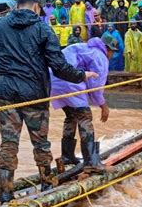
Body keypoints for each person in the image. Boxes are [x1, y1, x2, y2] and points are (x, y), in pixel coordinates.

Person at [0, 0, 98, 202]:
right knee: (40, 143)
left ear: (17, 5)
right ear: (36, 6)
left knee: (8, 142)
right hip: (33, 93)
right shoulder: (43, 28)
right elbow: (59, 66)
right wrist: (82, 75)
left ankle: (6, 194)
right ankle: (47, 186)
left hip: (5, 92)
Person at [50, 36, 117, 173]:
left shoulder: (84, 47)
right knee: (84, 117)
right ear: (108, 49)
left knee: (71, 116)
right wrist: (103, 106)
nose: (112, 55)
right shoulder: (100, 56)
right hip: (69, 80)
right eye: (113, 52)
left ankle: (67, 156)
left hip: (54, 80)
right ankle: (91, 161)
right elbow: (95, 86)